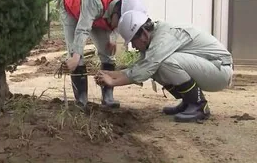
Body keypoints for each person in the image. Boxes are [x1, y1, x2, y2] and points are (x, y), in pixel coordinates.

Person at [95, 10, 234, 122]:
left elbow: (146, 69)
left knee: (165, 62)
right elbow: (139, 67)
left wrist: (112, 82)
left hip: (220, 70)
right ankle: (188, 102)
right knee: (157, 64)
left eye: (133, 41)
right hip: (210, 67)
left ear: (143, 33)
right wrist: (109, 74)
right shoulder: (154, 38)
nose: (134, 46)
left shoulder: (163, 37)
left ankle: (198, 106)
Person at [60, 0, 147, 108]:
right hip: (71, 9)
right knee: (76, 56)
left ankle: (108, 98)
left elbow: (122, 24)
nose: (117, 27)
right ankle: (81, 101)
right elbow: (83, 29)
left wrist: (112, 38)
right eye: (118, 24)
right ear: (115, 13)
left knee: (108, 54)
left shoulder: (125, 6)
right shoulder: (94, 1)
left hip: (100, 13)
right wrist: (75, 56)